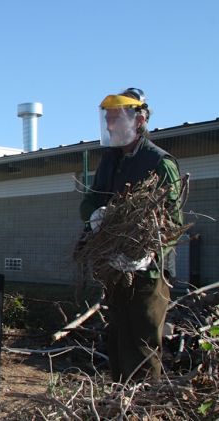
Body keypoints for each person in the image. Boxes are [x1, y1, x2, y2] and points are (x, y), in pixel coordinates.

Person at [80, 88, 183, 382]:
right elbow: (89, 201)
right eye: (108, 119)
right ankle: (119, 405)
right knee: (116, 340)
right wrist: (94, 215)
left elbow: (173, 222)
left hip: (148, 275)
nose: (110, 125)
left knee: (142, 345)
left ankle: (144, 407)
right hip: (115, 268)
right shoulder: (110, 160)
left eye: (116, 119)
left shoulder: (159, 162)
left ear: (138, 120)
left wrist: (147, 254)